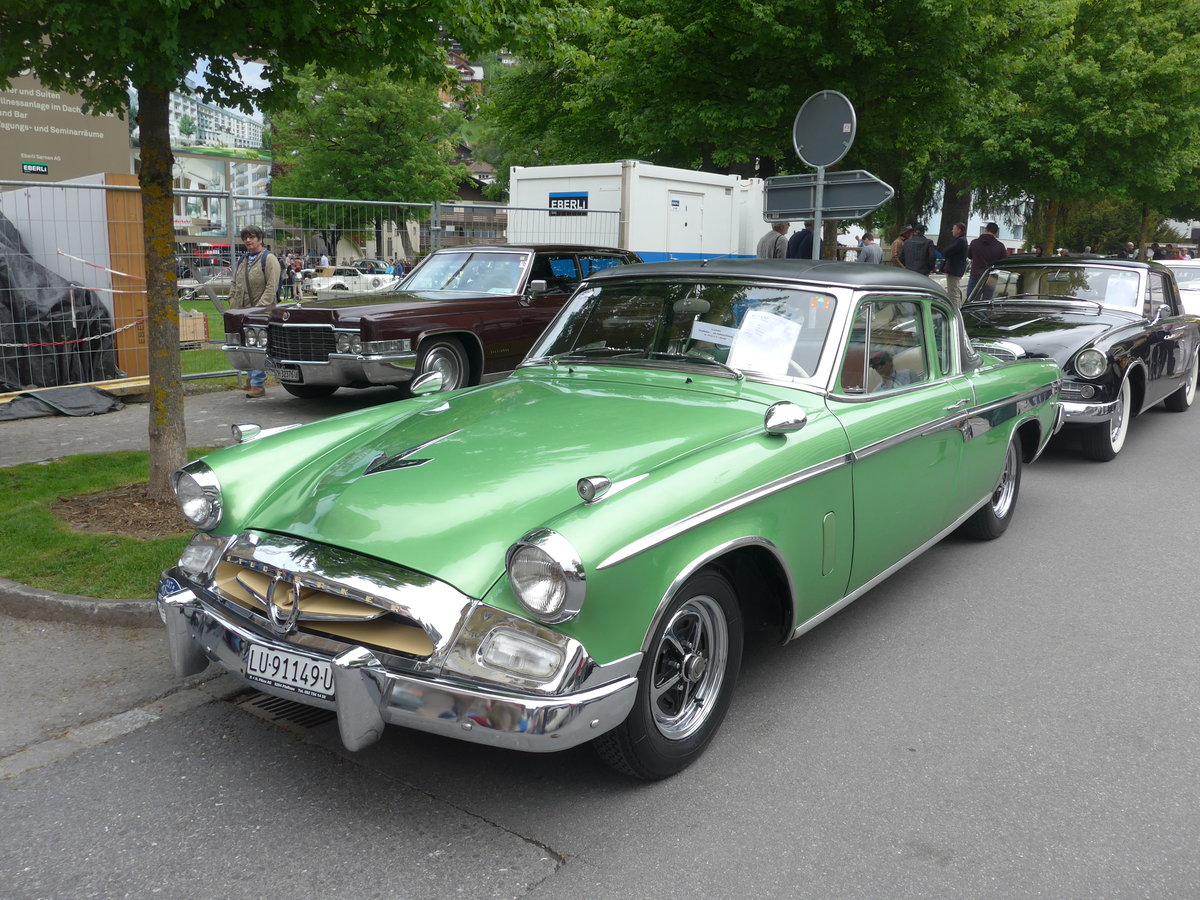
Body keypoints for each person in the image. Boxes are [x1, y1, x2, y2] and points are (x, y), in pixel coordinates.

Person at [227, 225, 282, 398]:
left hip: (261, 312)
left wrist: (259, 309)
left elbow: (271, 287)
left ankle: (257, 384)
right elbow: (235, 282)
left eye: (251, 237)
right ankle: (251, 378)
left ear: (260, 239)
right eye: (245, 237)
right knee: (245, 345)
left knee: (259, 346)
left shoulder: (269, 259)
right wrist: (232, 300)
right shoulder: (243, 260)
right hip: (242, 311)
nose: (248, 240)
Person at [967, 222, 1008, 299]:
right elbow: (1004, 262)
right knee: (987, 300)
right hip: (991, 277)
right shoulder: (1000, 246)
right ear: (996, 233)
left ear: (985, 230)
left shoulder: (974, 243)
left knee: (972, 300)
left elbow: (969, 256)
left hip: (976, 275)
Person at [939, 222, 968, 306]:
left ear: (959, 230)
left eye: (954, 229)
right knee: (955, 292)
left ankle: (955, 310)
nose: (952, 231)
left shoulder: (960, 241)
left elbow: (946, 251)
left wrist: (945, 251)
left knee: (953, 293)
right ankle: (958, 309)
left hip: (954, 269)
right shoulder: (961, 240)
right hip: (956, 269)